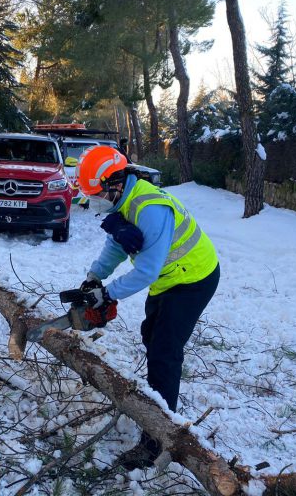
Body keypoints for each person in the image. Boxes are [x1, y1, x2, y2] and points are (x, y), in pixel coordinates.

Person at [75, 145, 220, 470]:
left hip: (195, 278)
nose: (93, 201)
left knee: (164, 351)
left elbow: (146, 271)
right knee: (150, 336)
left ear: (113, 182)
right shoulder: (123, 202)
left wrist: (108, 294)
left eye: (96, 193)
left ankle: (158, 438)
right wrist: (94, 277)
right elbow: (117, 244)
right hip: (170, 279)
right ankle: (157, 397)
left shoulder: (150, 208)